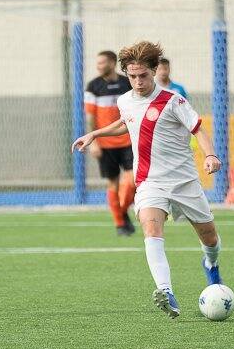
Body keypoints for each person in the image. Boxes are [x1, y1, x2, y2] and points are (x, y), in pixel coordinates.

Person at [73, 41, 224, 319]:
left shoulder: (173, 100)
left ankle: (211, 266)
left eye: (143, 75)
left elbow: (198, 129)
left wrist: (211, 155)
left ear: (154, 71)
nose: (138, 82)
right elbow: (125, 121)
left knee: (210, 238)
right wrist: (94, 134)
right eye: (132, 76)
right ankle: (166, 292)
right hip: (150, 182)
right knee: (151, 230)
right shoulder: (125, 100)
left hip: (184, 182)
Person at [84, 50, 136, 236]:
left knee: (132, 181)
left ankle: (121, 210)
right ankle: (120, 224)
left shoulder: (127, 83)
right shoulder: (93, 86)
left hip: (128, 140)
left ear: (113, 63)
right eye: (97, 63)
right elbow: (90, 117)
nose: (99, 66)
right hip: (105, 145)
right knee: (113, 183)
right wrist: (94, 142)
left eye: (102, 63)